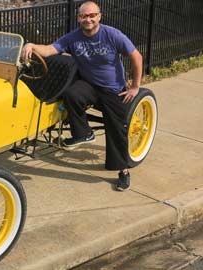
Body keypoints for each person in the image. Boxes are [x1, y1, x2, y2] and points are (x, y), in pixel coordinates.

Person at [21, 0, 143, 191]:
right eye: (84, 16)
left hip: (113, 88)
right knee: (71, 94)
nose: (88, 19)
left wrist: (136, 86)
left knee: (116, 128)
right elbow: (50, 49)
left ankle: (123, 171)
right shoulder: (73, 37)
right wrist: (31, 46)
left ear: (99, 16)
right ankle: (83, 133)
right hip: (89, 84)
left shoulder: (112, 34)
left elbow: (136, 57)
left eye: (92, 15)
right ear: (79, 18)